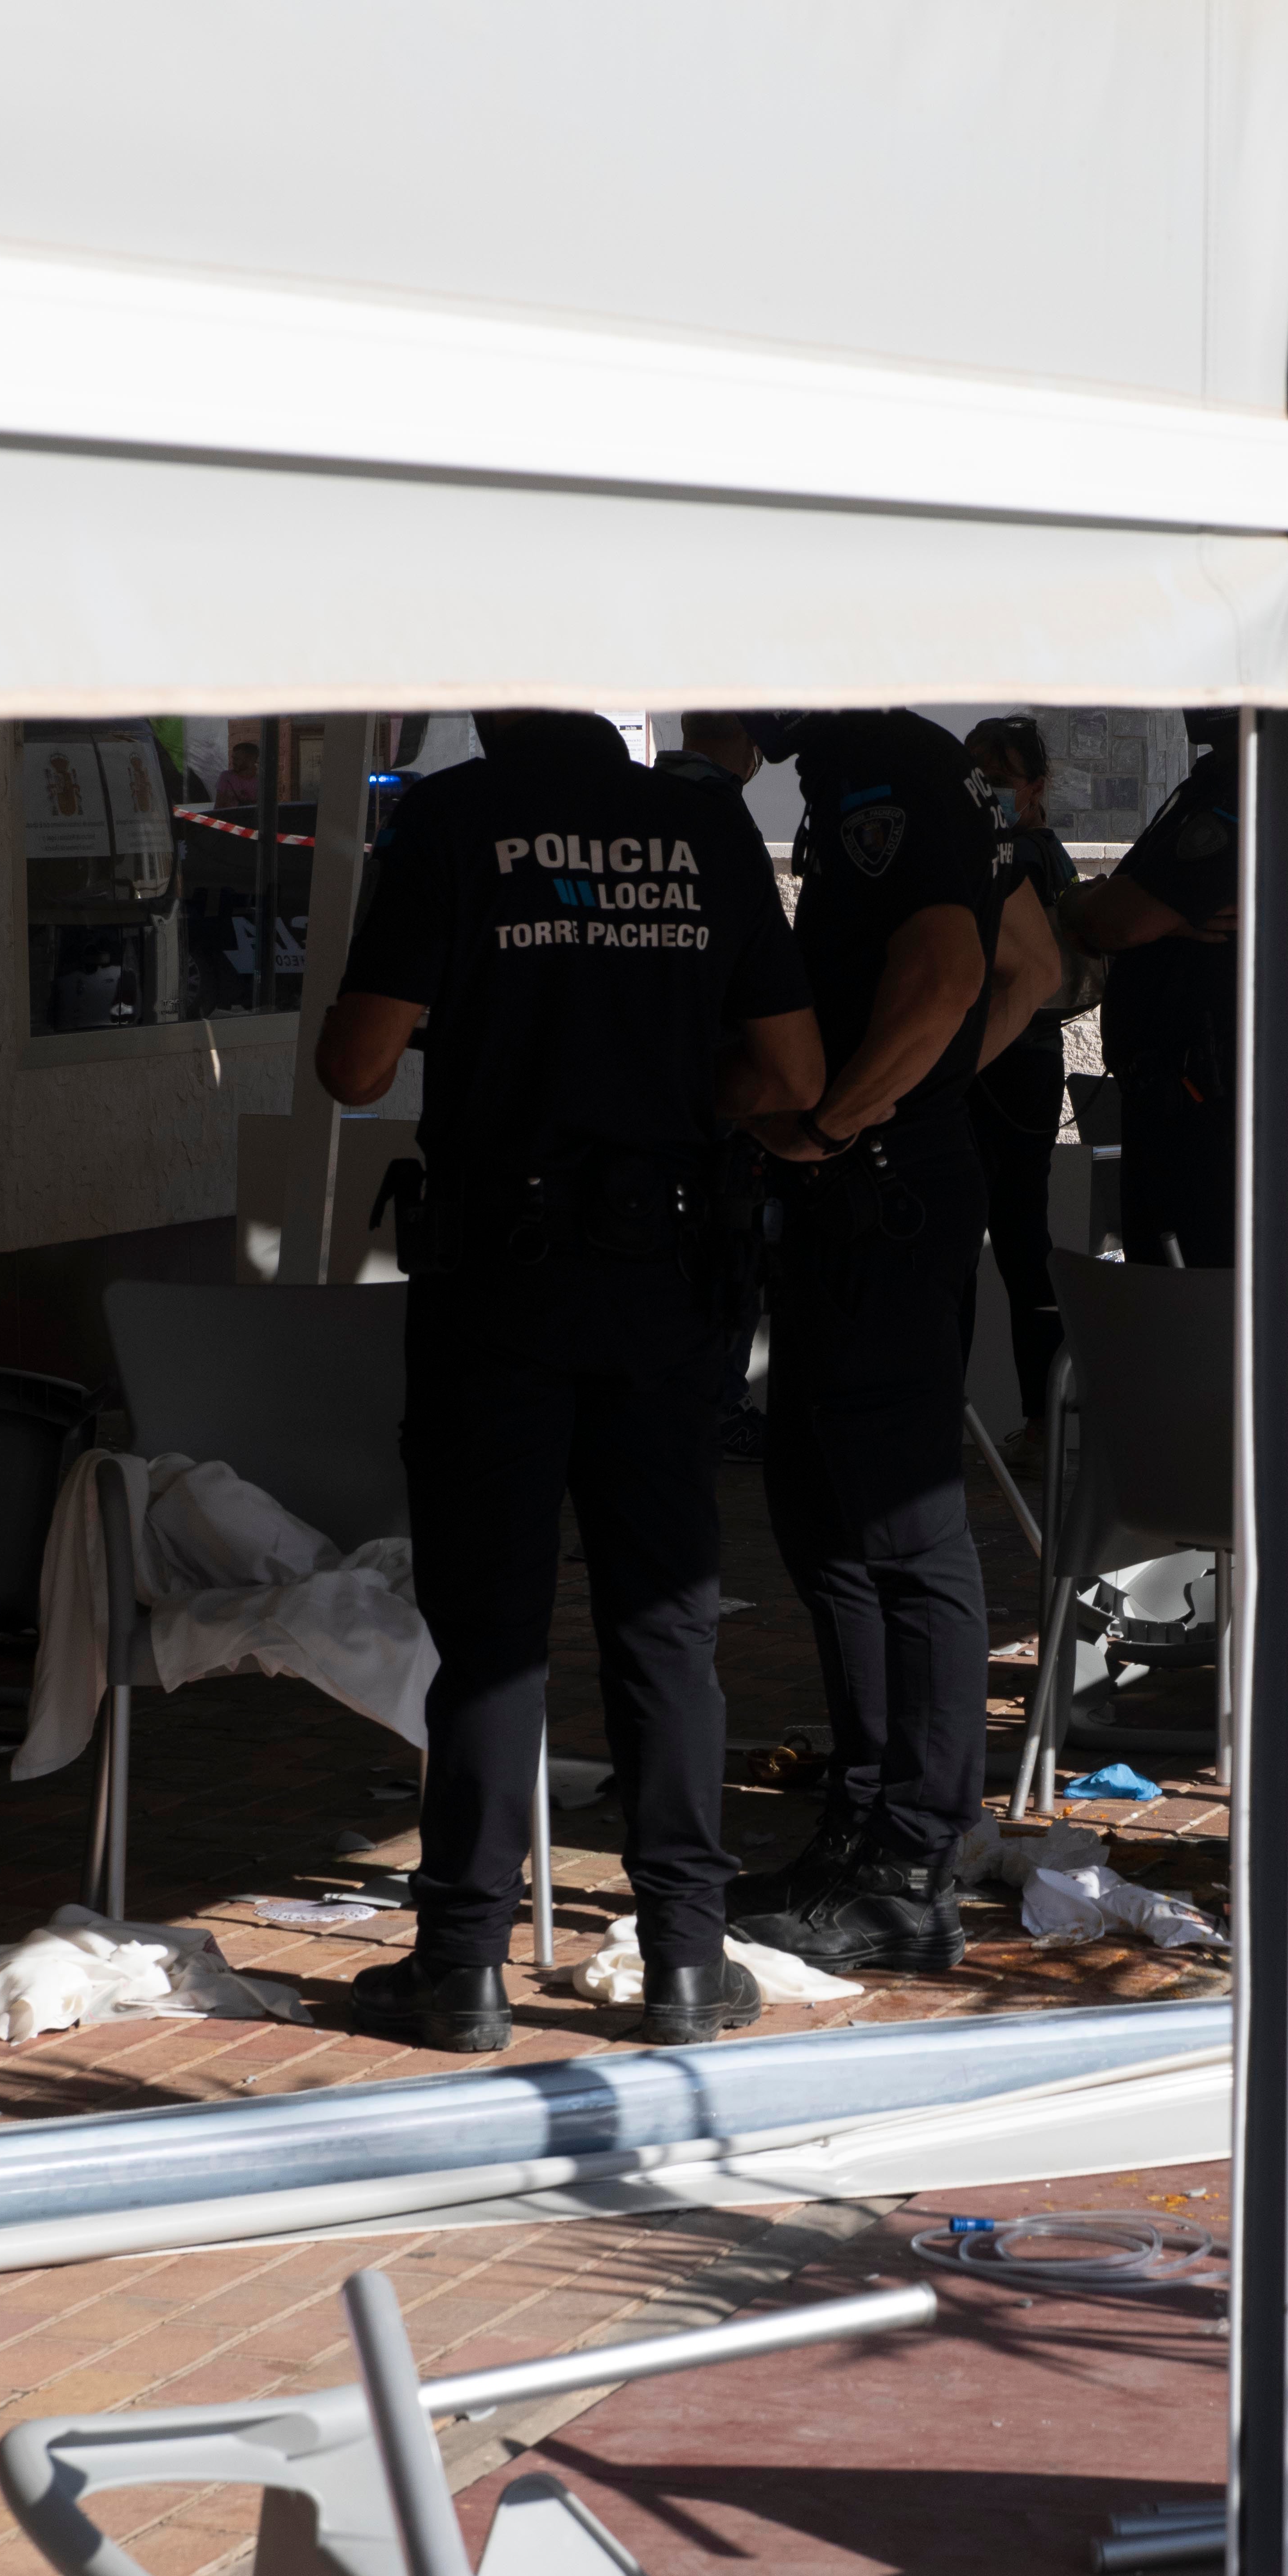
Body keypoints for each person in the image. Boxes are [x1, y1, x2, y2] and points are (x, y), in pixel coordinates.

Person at [311, 708, 823, 2055]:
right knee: (667, 1618)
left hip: (500, 1267)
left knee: (491, 1626)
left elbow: (355, 1063)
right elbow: (792, 1070)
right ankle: (684, 1961)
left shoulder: (450, 819)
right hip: (664, 1260)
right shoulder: (706, 820)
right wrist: (651, 1080)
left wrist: (501, 1033)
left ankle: (463, 1963)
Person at [724, 707, 1056, 1977]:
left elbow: (958, 974)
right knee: (828, 1514)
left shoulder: (892, 769)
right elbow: (1030, 964)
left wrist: (848, 1122)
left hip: (873, 1188)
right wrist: (909, 1106)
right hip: (884, 1178)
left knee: (899, 1529)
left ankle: (910, 1859)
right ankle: (863, 1837)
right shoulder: (905, 769)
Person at [1059, 711, 1240, 1270]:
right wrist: (1095, 905)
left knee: (1190, 1311)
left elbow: (1120, 923)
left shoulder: (1252, 790)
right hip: (1165, 1107)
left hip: (1207, 1117)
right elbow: (1111, 912)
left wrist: (1089, 906)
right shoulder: (1206, 784)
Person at [658, 715, 776, 1460]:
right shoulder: (724, 819)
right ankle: (717, 1409)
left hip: (636, 1086)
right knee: (727, 1254)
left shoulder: (637, 802)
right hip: (713, 1085)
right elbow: (756, 973)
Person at [959, 718, 1078, 1438]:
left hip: (1003, 1066)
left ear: (1035, 788)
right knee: (1019, 1245)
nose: (987, 793)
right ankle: (1041, 1421)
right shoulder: (1044, 853)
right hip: (1028, 1065)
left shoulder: (1020, 857)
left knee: (989, 1246)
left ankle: (1012, 1421)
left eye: (999, 780)